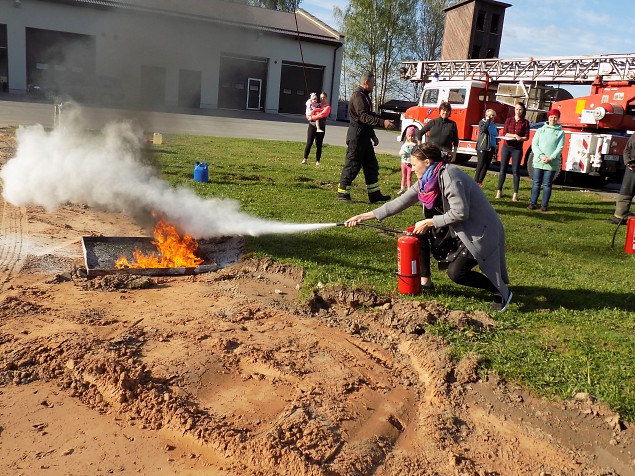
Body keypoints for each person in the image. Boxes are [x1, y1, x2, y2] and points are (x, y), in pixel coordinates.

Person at [344, 142, 512, 311]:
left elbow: (461, 213)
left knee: (457, 274)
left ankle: (499, 291)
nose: (412, 168)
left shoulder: (450, 176)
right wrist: (364, 216)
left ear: (427, 162)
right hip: (458, 228)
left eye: (414, 164)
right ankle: (426, 282)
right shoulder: (427, 180)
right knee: (418, 234)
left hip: (478, 231)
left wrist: (429, 222)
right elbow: (399, 202)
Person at [337, 71, 394, 203]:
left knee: (371, 165)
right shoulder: (358, 96)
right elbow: (363, 117)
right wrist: (382, 122)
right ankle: (343, 194)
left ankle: (374, 194)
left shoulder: (365, 96)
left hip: (365, 137)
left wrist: (373, 135)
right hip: (357, 137)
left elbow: (366, 118)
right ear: (366, 82)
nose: (374, 85)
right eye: (373, 83)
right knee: (352, 165)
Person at [528, 108, 564, 212]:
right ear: (548, 117)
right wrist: (541, 156)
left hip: (552, 163)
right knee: (536, 183)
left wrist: (550, 158)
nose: (553, 119)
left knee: (547, 184)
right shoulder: (540, 130)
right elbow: (534, 144)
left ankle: (544, 205)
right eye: (551, 117)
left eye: (555, 117)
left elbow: (560, 147)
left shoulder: (561, 133)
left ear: (558, 119)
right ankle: (533, 203)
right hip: (539, 161)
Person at [496, 102, 530, 201]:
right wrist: (514, 136)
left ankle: (515, 193)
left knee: (516, 170)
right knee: (503, 169)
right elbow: (505, 133)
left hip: (517, 149)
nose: (518, 111)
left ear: (523, 110)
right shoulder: (509, 120)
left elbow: (526, 137)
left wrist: (520, 138)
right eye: (516, 109)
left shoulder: (525, 122)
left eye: (520, 109)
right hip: (507, 147)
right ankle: (499, 190)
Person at [608, 132, 635, 224]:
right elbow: (626, 150)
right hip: (631, 169)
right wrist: (628, 162)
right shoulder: (634, 136)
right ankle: (619, 217)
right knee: (625, 193)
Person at [303, 92, 331, 167]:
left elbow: (322, 115)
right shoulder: (316, 104)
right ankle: (305, 158)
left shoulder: (327, 107)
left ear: (326, 98)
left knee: (319, 144)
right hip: (312, 126)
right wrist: (309, 116)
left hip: (321, 127)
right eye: (321, 97)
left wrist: (311, 117)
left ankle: (317, 161)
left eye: (324, 97)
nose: (322, 99)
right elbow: (309, 111)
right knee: (309, 143)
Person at [474, 109, 498, 186]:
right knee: (481, 164)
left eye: (493, 116)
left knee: (487, 164)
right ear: (486, 115)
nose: (492, 117)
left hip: (491, 146)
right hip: (483, 146)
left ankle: (480, 181)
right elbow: (483, 129)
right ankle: (475, 181)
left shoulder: (493, 124)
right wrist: (487, 121)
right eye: (490, 115)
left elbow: (495, 134)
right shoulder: (482, 122)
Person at [398, 127, 417, 194]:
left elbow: (417, 154)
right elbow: (400, 152)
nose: (411, 137)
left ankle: (409, 190)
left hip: (410, 164)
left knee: (409, 177)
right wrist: (402, 153)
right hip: (404, 163)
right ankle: (402, 189)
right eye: (409, 136)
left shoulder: (415, 145)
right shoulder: (405, 144)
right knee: (404, 176)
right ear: (407, 136)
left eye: (412, 136)